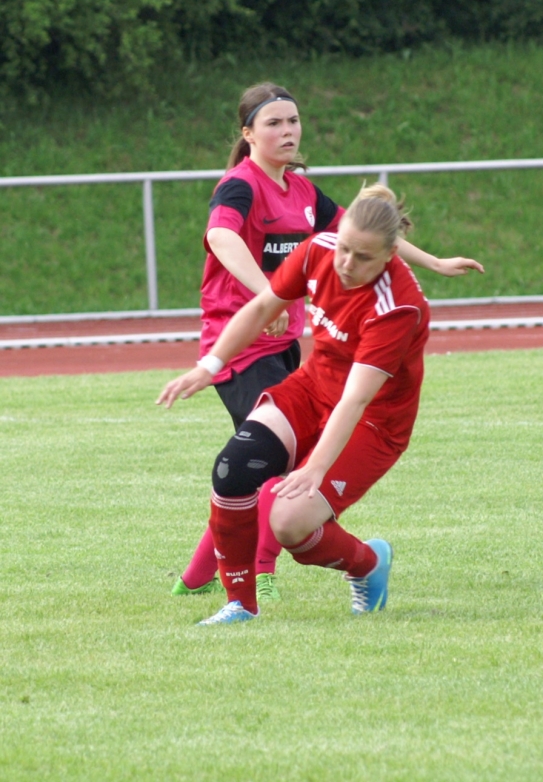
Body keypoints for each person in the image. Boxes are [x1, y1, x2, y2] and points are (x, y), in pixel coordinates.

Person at [173, 81, 484, 604]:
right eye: (274, 122)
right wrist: (263, 306)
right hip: (245, 340)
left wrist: (432, 262)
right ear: (247, 132)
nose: (288, 131)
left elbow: (369, 228)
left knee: (273, 482)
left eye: (293, 121)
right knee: (254, 470)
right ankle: (244, 580)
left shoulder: (305, 196)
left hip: (292, 349)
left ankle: (213, 575)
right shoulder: (241, 186)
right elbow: (222, 238)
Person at [157, 184, 432, 625]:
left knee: (290, 524)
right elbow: (264, 306)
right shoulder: (316, 250)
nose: (346, 263)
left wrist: (314, 468)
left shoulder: (397, 306)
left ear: (390, 256)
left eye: (363, 258)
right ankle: (240, 605)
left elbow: (356, 399)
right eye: (344, 248)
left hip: (375, 422)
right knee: (234, 467)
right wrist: (209, 366)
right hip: (310, 388)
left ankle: (368, 565)